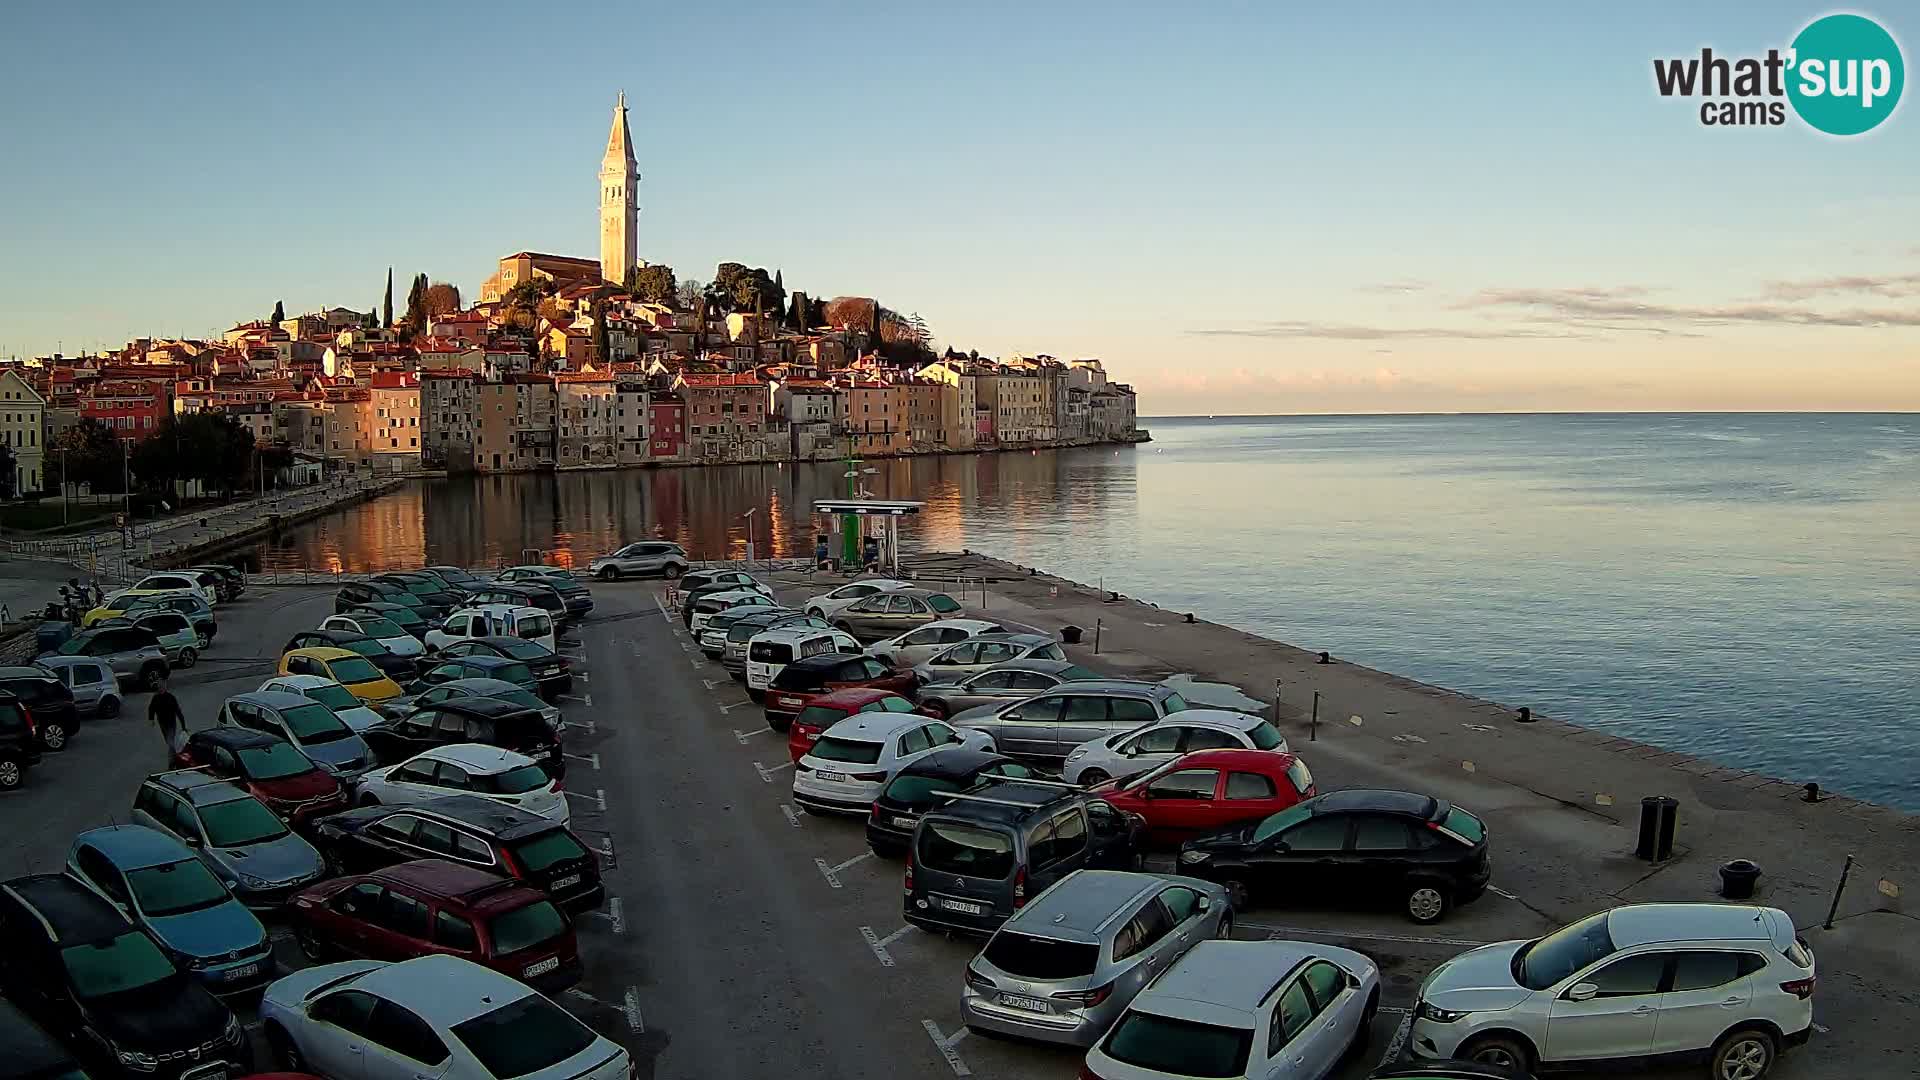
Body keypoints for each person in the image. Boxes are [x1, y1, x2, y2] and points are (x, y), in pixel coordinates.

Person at [149, 678, 187, 764]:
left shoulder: (170, 698)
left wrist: (183, 725)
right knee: (168, 740)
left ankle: (172, 761)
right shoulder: (156, 698)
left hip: (171, 723)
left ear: (165, 688)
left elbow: (178, 712)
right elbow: (151, 708)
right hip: (162, 723)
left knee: (170, 742)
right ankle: (175, 754)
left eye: (162, 687)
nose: (161, 689)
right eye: (159, 688)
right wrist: (151, 719)